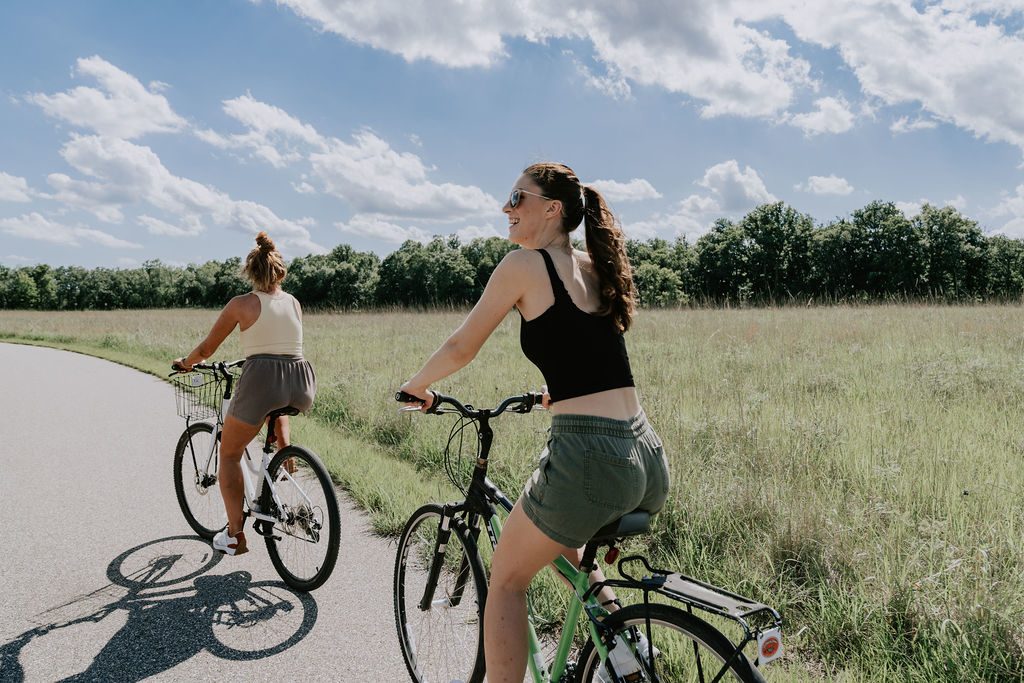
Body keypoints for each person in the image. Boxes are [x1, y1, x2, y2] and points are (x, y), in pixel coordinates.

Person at [399, 162, 670, 682]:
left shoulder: (524, 265)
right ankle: (630, 664)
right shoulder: (594, 265)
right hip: (644, 454)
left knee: (505, 580)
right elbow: (591, 352)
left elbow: (462, 345)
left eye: (516, 197)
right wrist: (558, 393)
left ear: (552, 209)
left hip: (589, 458)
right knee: (570, 552)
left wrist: (418, 385)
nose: (506, 208)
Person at [174, 231, 316, 556]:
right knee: (276, 407)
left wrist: (187, 363)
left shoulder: (241, 305)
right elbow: (281, 349)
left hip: (263, 380)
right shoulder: (294, 303)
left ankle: (235, 535)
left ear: (250, 272)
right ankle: (285, 457)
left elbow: (207, 348)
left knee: (229, 453)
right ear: (280, 272)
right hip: (299, 380)